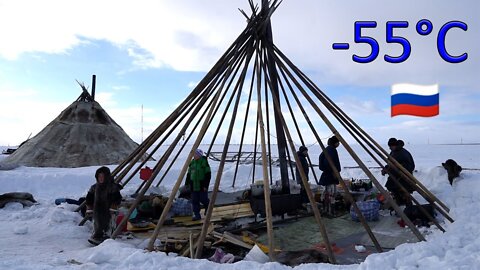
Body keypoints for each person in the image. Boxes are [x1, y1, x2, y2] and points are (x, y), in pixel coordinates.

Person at [85, 166, 122, 245]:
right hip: (97, 209)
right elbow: (89, 198)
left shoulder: (112, 187)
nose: (101, 178)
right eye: (99, 176)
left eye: (103, 176)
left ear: (107, 177)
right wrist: (89, 207)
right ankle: (97, 235)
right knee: (97, 222)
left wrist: (113, 207)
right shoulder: (94, 187)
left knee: (108, 223)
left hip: (109, 209)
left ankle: (107, 237)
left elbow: (117, 198)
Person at [382, 138, 415, 206]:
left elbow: (410, 166)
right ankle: (399, 202)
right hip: (395, 175)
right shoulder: (393, 152)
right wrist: (386, 169)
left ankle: (408, 206)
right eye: (389, 146)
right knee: (390, 186)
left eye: (391, 146)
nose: (390, 148)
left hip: (404, 177)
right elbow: (390, 164)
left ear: (395, 145)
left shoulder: (403, 153)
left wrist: (400, 168)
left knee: (404, 190)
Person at [185, 149, 211, 221]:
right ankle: (197, 215)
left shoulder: (204, 162)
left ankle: (207, 207)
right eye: (194, 154)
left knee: (203, 199)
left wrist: (206, 185)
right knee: (194, 200)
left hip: (202, 184)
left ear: (199, 155)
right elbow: (189, 174)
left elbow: (208, 175)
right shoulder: (192, 163)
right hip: (193, 185)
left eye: (196, 154)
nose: (194, 155)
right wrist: (187, 183)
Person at [318, 136, 341, 216]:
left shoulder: (326, 149)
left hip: (326, 175)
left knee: (326, 192)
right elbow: (331, 162)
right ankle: (331, 211)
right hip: (331, 175)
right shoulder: (332, 150)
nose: (339, 144)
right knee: (332, 193)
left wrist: (324, 168)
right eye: (338, 142)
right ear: (335, 143)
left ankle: (325, 210)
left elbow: (321, 159)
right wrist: (333, 171)